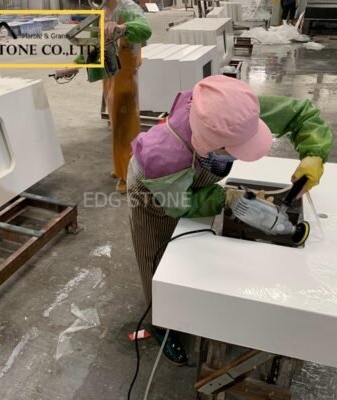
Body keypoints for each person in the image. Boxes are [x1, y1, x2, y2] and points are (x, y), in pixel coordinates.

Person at [127, 75, 333, 365]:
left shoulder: (230, 111)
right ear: (210, 145)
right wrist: (226, 198)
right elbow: (179, 204)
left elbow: (301, 114)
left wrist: (314, 154)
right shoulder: (165, 156)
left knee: (192, 250)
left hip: (188, 176)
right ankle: (160, 321)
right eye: (235, 149)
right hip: (155, 191)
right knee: (156, 255)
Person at [74, 0, 151, 193]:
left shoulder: (127, 8)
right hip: (109, 72)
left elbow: (144, 29)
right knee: (116, 124)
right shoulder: (100, 12)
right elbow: (93, 45)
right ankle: (121, 167)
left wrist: (122, 27)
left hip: (125, 71)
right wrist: (74, 65)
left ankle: (130, 174)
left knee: (126, 124)